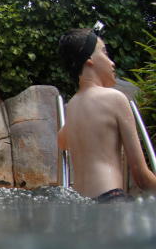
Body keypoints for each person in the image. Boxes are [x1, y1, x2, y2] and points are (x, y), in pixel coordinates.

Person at [57, 28, 156, 201]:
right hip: (111, 199)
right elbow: (141, 176)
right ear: (88, 59)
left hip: (82, 207)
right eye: (104, 53)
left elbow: (62, 142)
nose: (112, 63)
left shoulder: (72, 107)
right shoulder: (115, 98)